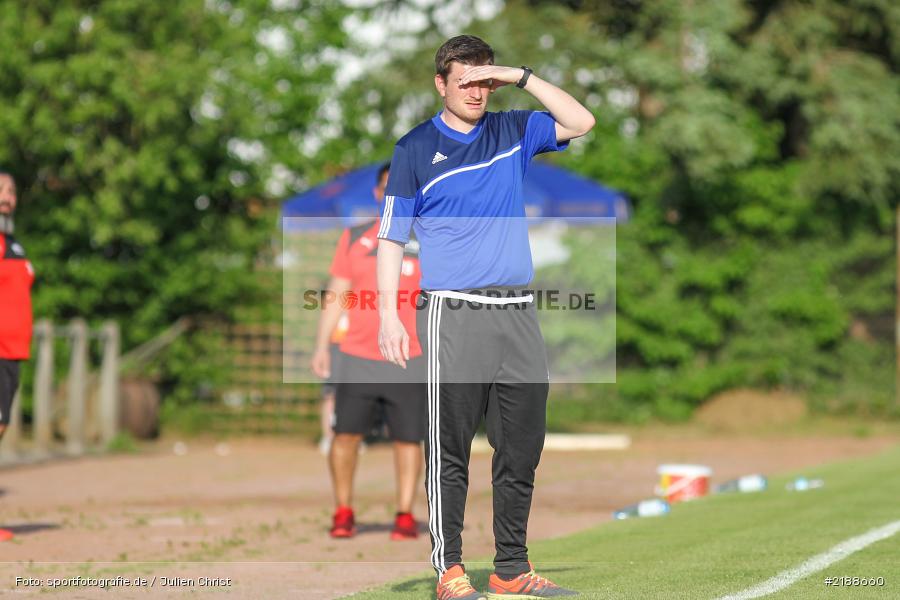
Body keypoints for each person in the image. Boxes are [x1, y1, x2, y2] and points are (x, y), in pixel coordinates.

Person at [376, 36, 594, 599]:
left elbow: (581, 119)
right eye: (463, 80)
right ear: (440, 84)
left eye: (482, 81)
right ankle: (449, 570)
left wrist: (519, 76)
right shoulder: (415, 148)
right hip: (453, 313)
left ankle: (510, 570)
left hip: (518, 313)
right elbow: (391, 239)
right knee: (450, 449)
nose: (474, 91)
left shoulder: (513, 130)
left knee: (521, 448)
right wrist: (389, 316)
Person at [311, 163, 426, 540]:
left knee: (409, 438)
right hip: (358, 356)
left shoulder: (430, 238)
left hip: (410, 357)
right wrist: (322, 345)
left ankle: (404, 514)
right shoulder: (356, 237)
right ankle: (343, 510)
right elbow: (336, 295)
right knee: (345, 435)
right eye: (387, 188)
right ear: (378, 194)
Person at [0, 170, 35, 543]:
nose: (7, 196)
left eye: (11, 190)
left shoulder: (13, 244)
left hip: (12, 353)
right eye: (0, 190)